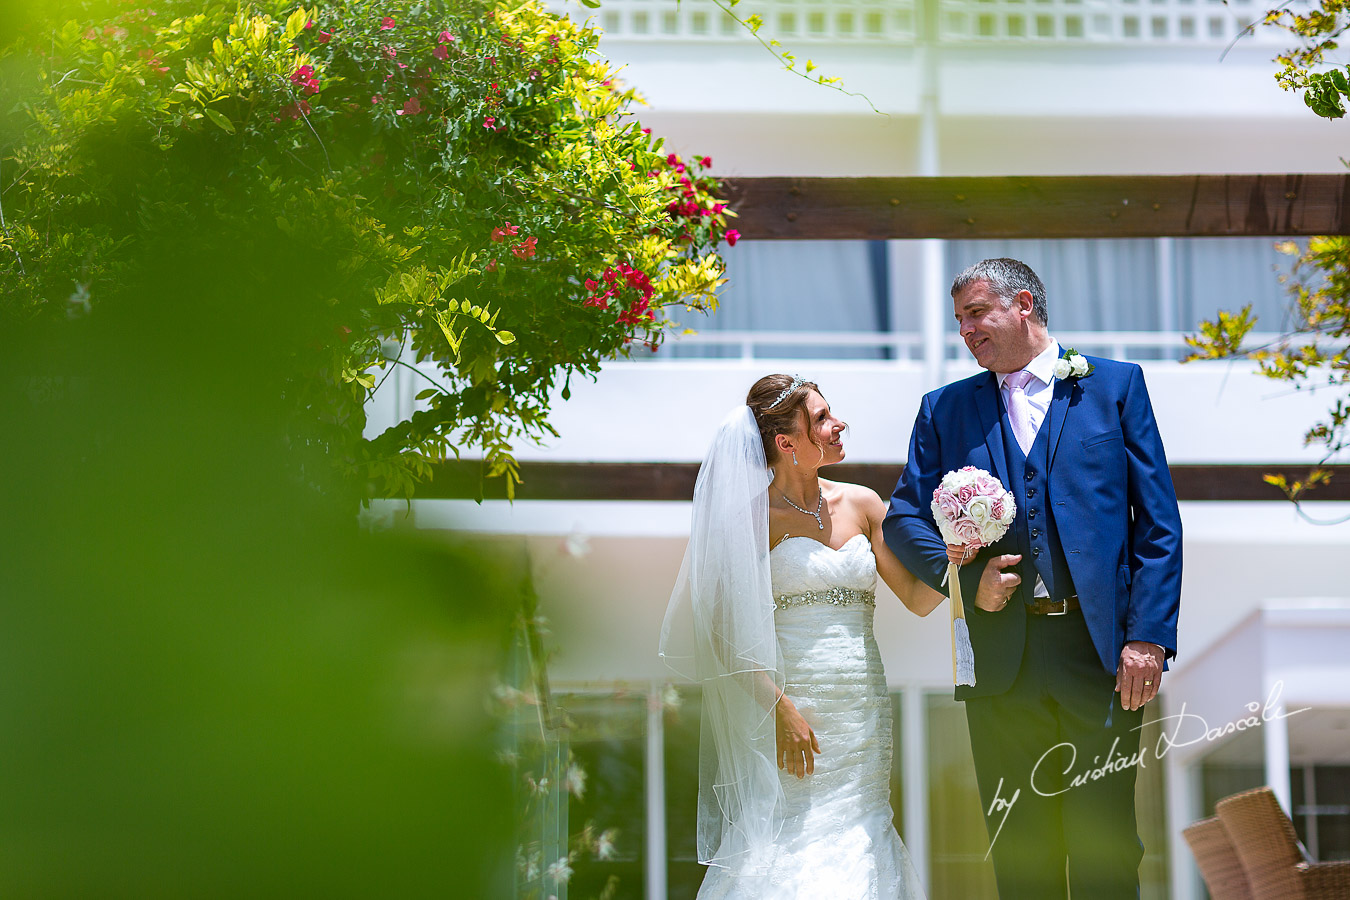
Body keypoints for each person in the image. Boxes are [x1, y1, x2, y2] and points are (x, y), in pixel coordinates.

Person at [883, 258, 1183, 899]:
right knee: (1020, 854)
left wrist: (1148, 638)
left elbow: (1157, 523)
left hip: (1099, 657)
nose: (964, 331)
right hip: (1001, 663)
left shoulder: (1115, 386)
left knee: (1107, 848)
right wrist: (960, 578)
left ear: (1022, 305)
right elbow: (903, 518)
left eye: (974, 314)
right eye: (958, 320)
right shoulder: (944, 409)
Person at [661, 374, 942, 899]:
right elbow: (719, 634)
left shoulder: (863, 504)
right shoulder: (750, 518)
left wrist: (959, 553)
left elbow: (918, 599)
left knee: (863, 827)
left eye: (832, 413)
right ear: (785, 442)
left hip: (862, 707)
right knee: (793, 837)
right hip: (794, 706)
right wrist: (780, 710)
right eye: (821, 420)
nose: (838, 426)